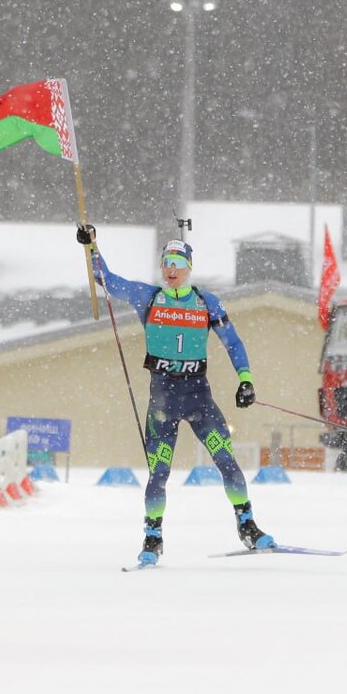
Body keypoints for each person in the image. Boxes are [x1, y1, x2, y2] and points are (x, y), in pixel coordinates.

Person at [77, 224, 275, 565]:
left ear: (189, 268)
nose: (171, 270)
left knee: (227, 461)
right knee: (159, 472)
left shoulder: (207, 302)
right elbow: (107, 280)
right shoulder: (149, 297)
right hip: (163, 400)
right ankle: (152, 537)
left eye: (178, 264)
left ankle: (248, 526)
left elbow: (233, 342)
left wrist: (246, 380)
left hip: (199, 397)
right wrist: (92, 246)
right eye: (166, 263)